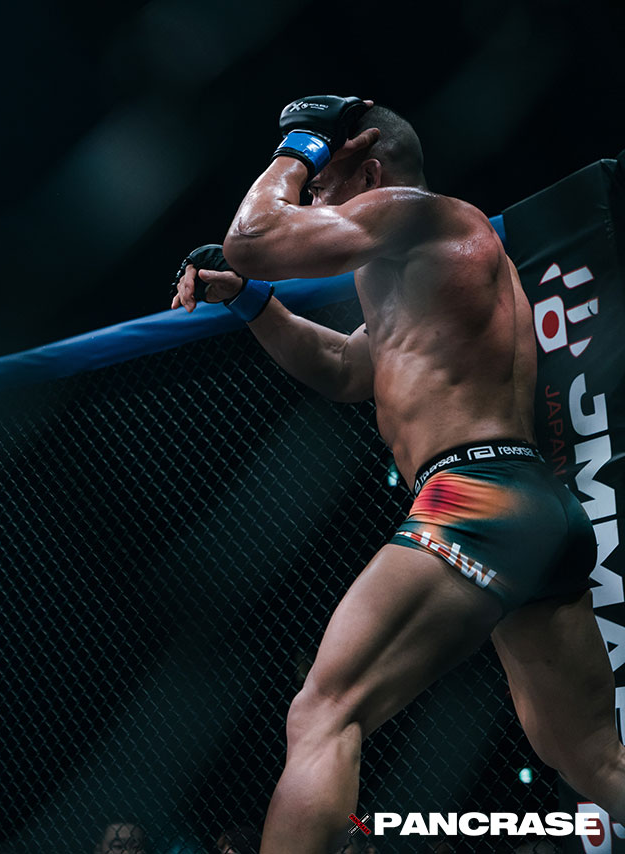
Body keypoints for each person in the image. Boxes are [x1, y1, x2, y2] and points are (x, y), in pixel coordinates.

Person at [171, 96, 624, 852]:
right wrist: (250, 302)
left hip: (471, 498)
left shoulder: (418, 215)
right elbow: (347, 368)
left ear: (371, 171)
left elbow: (253, 238)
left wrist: (302, 146)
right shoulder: (427, 263)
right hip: (537, 507)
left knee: (323, 713)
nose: (313, 206)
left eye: (323, 190)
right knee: (592, 759)